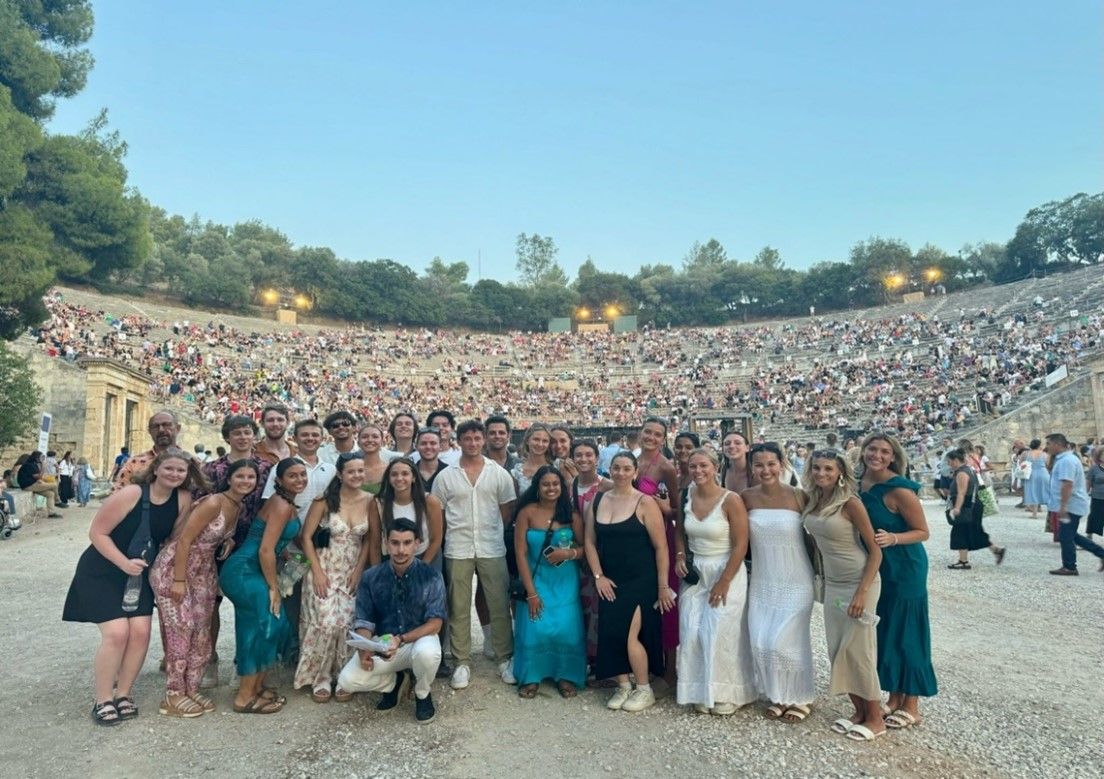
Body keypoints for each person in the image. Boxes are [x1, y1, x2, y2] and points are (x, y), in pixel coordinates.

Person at [62, 448, 200, 725]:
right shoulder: (132, 494)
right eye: (169, 468)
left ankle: (123, 693)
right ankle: (103, 699)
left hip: (139, 573)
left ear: (187, 474)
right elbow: (97, 533)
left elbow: (173, 539)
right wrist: (124, 563)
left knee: (140, 633)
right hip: (103, 569)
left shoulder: (182, 499)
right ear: (156, 469)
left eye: (180, 470)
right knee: (116, 634)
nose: (174, 474)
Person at [149, 460, 257, 716]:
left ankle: (191, 687)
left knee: (201, 632)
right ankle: (173, 694)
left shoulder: (237, 505)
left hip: (204, 571)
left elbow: (216, 534)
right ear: (229, 479)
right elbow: (185, 539)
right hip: (176, 567)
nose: (245, 481)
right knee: (180, 629)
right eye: (240, 476)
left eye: (251, 477)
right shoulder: (213, 502)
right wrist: (178, 580)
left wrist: (227, 540)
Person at [801, 449, 885, 741]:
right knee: (838, 648)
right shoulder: (814, 500)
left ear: (839, 473)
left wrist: (861, 593)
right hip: (834, 583)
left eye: (828, 469)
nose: (821, 474)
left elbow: (875, 552)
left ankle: (876, 718)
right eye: (816, 468)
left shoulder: (850, 503)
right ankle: (859, 711)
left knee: (859, 649)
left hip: (859, 581)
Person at [584, 451, 674, 712]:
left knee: (631, 634)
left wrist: (662, 585)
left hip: (640, 579)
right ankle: (623, 685)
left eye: (626, 469)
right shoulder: (598, 500)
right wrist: (599, 576)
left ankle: (644, 688)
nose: (620, 473)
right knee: (611, 631)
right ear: (609, 470)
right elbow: (590, 542)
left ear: (635, 473)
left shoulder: (645, 503)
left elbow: (660, 548)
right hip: (610, 578)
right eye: (616, 468)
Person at [858, 433, 937, 729]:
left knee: (909, 631)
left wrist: (893, 538)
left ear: (893, 457)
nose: (876, 455)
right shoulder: (856, 483)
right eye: (872, 449)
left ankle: (912, 704)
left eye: (884, 451)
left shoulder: (900, 490)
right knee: (887, 629)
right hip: (876, 567)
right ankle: (894, 695)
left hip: (905, 566)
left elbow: (922, 531)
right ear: (863, 451)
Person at [431, 419, 517, 689]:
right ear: (459, 441)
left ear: (483, 440)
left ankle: (504, 658)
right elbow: (439, 515)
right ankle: (462, 662)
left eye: (477, 438)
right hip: (458, 547)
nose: (472, 443)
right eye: (467, 438)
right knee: (458, 606)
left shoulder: (499, 474)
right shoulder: (445, 476)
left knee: (499, 604)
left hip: (492, 546)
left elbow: (506, 512)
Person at [336, 518, 446, 723]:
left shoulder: (431, 576)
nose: (401, 550)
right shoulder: (371, 577)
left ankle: (422, 694)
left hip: (416, 641)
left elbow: (436, 623)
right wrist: (364, 649)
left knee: (428, 653)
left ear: (417, 543)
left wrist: (400, 639)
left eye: (406, 543)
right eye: (395, 543)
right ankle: (393, 683)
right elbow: (364, 621)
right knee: (347, 681)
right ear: (386, 543)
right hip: (384, 645)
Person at [219, 458, 307, 713]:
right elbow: (266, 550)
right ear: (279, 481)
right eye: (293, 476)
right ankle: (245, 696)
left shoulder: (287, 503)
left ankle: (255, 687)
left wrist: (295, 560)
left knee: (263, 626)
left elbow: (276, 545)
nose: (300, 480)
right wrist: (274, 588)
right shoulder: (279, 505)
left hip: (253, 570)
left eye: (303, 475)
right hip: (245, 571)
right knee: (267, 624)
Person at [192, 413, 274, 688]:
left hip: (252, 544)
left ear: (254, 435)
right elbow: (198, 504)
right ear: (227, 437)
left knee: (248, 606)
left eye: (247, 431)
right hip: (216, 546)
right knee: (210, 607)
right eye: (236, 432)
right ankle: (210, 659)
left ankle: (246, 660)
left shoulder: (266, 467)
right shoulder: (212, 469)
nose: (242, 436)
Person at [674, 448, 755, 716]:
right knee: (692, 629)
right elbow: (679, 531)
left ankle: (729, 691)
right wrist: (680, 555)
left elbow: (741, 543)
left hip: (726, 568)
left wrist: (724, 581)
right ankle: (699, 688)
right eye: (693, 466)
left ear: (715, 467)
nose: (698, 471)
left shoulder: (730, 500)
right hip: (697, 571)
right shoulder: (686, 495)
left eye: (703, 466)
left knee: (721, 631)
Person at [743, 442, 815, 723]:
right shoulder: (745, 497)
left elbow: (816, 536)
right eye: (759, 465)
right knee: (761, 640)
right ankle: (777, 695)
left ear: (782, 463)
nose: (765, 470)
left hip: (796, 578)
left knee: (786, 641)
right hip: (763, 579)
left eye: (771, 464)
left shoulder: (800, 497)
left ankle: (801, 696)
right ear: (752, 467)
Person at [295, 452, 371, 701]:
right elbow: (306, 537)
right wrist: (316, 571)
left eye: (361, 470)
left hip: (351, 570)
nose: (357, 475)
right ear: (340, 473)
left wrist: (360, 570)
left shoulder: (370, 501)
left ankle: (345, 676)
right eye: (352, 471)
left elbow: (369, 539)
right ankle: (321, 677)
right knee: (325, 622)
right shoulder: (324, 501)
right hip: (324, 567)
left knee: (348, 622)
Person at [512, 465, 587, 699]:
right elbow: (520, 553)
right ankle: (531, 675)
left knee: (567, 630)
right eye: (546, 484)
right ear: (537, 487)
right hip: (536, 579)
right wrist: (531, 592)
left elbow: (586, 549)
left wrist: (568, 554)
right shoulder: (526, 513)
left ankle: (567, 675)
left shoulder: (572, 515)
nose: (551, 488)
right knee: (536, 628)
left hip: (565, 581)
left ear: (561, 487)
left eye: (555, 484)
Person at [634, 417, 681, 681]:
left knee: (666, 602)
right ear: (640, 433)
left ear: (663, 439)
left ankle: (669, 671)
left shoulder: (665, 468)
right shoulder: (631, 459)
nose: (651, 437)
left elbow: (676, 509)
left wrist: (665, 509)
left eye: (657, 434)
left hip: (658, 537)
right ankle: (645, 664)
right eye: (647, 432)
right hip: (633, 538)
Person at [569, 439, 611, 667]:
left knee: (599, 607)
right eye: (579, 455)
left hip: (601, 556)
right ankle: (584, 657)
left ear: (597, 458)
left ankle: (600, 659)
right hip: (577, 556)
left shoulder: (607, 486)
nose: (583, 459)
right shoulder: (569, 486)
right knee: (581, 606)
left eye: (588, 455)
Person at [369, 457, 444, 570]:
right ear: (388, 478)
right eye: (394, 474)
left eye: (405, 474)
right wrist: (376, 573)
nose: (399, 478)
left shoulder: (429, 501)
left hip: (426, 557)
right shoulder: (379, 504)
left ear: (413, 477)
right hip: (392, 560)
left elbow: (436, 539)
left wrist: (421, 567)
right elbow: (374, 544)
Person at [1045, 433, 1104, 575]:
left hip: (1071, 505)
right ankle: (1101, 553)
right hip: (1070, 504)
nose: (1047, 447)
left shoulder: (1067, 461)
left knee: (1065, 536)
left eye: (1049, 444)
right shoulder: (1064, 459)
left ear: (1057, 444)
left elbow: (1067, 484)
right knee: (1070, 535)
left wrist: (1063, 506)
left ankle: (1070, 566)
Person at [945, 449, 1006, 569]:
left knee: (960, 531)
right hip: (974, 505)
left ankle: (963, 561)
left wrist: (957, 508)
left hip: (966, 505)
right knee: (975, 531)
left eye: (950, 461)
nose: (949, 464)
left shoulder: (962, 473)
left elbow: (961, 493)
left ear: (956, 460)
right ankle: (996, 550)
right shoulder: (970, 470)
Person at [114, 410, 182, 490]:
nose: (161, 430)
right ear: (149, 431)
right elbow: (118, 494)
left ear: (178, 428)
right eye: (155, 426)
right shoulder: (134, 463)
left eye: (166, 425)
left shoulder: (192, 463)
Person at [17, 451, 63, 517]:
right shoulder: (29, 465)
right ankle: (57, 501)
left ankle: (51, 513)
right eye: (41, 457)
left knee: (50, 494)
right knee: (54, 485)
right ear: (36, 458)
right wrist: (43, 467)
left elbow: (37, 477)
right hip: (28, 486)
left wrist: (40, 480)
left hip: (33, 484)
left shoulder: (34, 464)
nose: (42, 459)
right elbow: (39, 476)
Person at [511, 423, 553, 496]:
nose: (540, 444)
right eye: (536, 439)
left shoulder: (555, 467)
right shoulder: (517, 471)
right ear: (527, 441)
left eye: (545, 441)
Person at [356, 423, 390, 495]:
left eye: (375, 437)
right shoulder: (350, 470)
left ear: (382, 442)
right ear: (358, 442)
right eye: (365, 437)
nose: (370, 440)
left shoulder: (390, 470)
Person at [1021, 439, 1050, 520]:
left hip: (1031, 474)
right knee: (1047, 491)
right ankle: (1051, 512)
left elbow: (1021, 463)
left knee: (1033, 492)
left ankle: (1034, 514)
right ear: (1039, 445)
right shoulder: (1044, 454)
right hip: (1043, 473)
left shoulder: (1025, 453)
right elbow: (1048, 464)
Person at [1087, 447, 1104, 545]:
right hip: (1097, 496)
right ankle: (1089, 536)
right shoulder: (1094, 468)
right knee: (1094, 516)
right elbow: (1088, 482)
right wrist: (1085, 493)